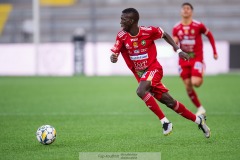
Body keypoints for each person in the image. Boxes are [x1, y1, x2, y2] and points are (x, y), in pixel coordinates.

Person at [110, 8, 211, 138]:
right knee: (170, 102)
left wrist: (179, 50)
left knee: (140, 91)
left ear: (132, 21)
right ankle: (199, 121)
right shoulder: (121, 36)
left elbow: (165, 34)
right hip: (141, 75)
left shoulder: (148, 31)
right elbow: (115, 52)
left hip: (154, 69)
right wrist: (113, 57)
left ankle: (165, 122)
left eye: (123, 19)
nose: (120, 22)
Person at [172, 2, 218, 116]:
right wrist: (175, 44)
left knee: (196, 83)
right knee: (188, 85)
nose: (186, 10)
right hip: (183, 60)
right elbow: (175, 47)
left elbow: (210, 36)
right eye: (184, 8)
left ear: (192, 12)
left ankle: (202, 67)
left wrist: (215, 51)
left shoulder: (198, 25)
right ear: (181, 12)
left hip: (196, 58)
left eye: (188, 8)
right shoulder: (176, 28)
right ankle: (200, 108)